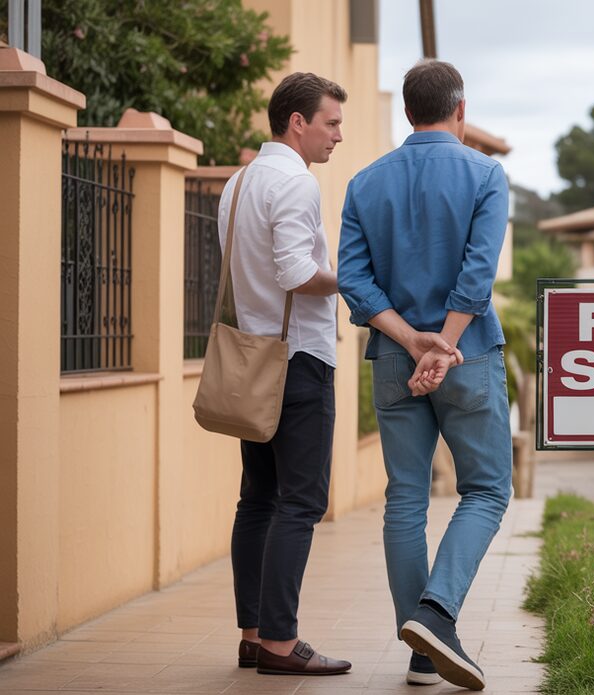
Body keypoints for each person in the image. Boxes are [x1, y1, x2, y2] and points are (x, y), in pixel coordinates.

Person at [337, 58, 511, 691]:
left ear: (407, 113)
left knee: (405, 497)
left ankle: (420, 652)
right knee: (487, 491)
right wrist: (443, 347)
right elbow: (479, 269)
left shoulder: (363, 182)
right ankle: (437, 615)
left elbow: (354, 281)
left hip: (391, 357)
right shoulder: (486, 174)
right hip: (467, 356)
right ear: (460, 110)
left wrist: (412, 341)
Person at [219, 72, 351, 676]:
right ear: (297, 122)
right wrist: (352, 277)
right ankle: (279, 643)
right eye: (331, 123)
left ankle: (252, 635)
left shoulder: (239, 181)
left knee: (258, 501)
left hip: (253, 357)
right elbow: (300, 273)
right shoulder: (295, 183)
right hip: (298, 359)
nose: (338, 136)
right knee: (300, 504)